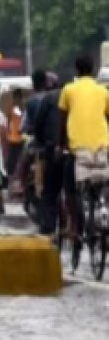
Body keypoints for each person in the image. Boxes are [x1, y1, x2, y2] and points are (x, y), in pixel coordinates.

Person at [59, 55, 109, 240]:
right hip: (102, 147)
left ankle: (75, 227)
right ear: (93, 69)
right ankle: (103, 207)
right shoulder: (103, 91)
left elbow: (62, 122)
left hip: (78, 149)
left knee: (69, 187)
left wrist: (60, 145)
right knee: (103, 183)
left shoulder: (68, 90)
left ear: (76, 71)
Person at [33, 74, 64, 235]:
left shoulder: (48, 99)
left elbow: (38, 124)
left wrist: (39, 141)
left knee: (50, 191)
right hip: (78, 148)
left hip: (54, 149)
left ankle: (49, 226)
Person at [6, 89, 25, 183]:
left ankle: (17, 177)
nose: (17, 100)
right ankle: (11, 176)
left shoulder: (21, 108)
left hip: (21, 138)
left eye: (18, 98)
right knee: (12, 159)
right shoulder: (13, 108)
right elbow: (8, 121)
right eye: (16, 98)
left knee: (19, 159)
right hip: (14, 138)